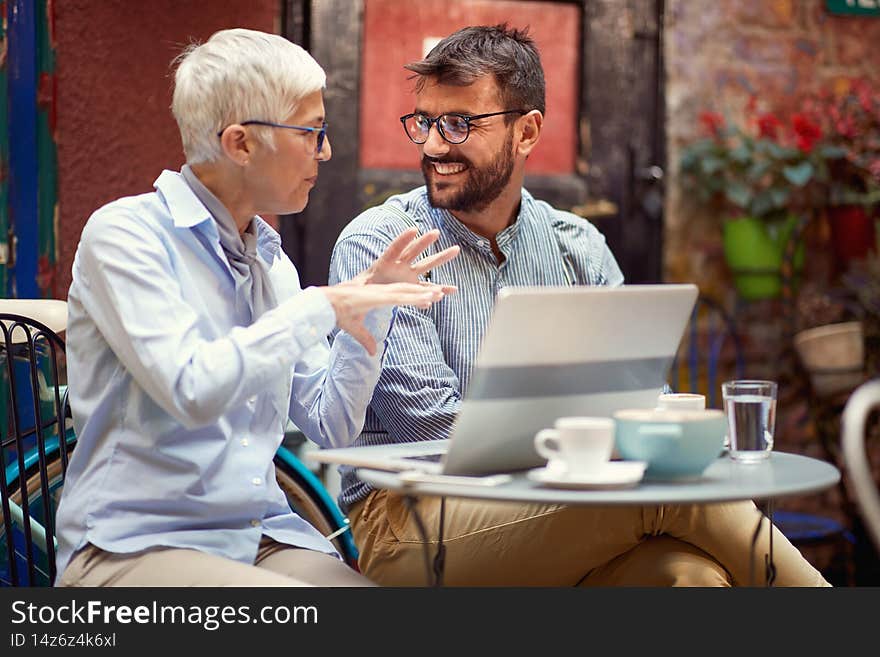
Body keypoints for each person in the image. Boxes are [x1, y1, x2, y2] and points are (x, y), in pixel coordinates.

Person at [328, 24, 830, 587]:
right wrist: (606, 444)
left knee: (691, 578)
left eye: (460, 123)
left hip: (564, 503)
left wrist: (642, 432)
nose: (435, 145)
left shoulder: (577, 245)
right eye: (425, 122)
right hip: (414, 519)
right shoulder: (382, 243)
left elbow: (640, 394)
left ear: (527, 131)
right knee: (667, 494)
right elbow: (433, 423)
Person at [54, 28, 459, 587]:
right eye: (313, 132)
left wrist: (372, 307)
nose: (327, 151)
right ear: (241, 143)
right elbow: (192, 389)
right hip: (134, 547)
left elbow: (333, 425)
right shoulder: (125, 234)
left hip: (258, 538)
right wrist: (321, 307)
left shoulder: (271, 263)